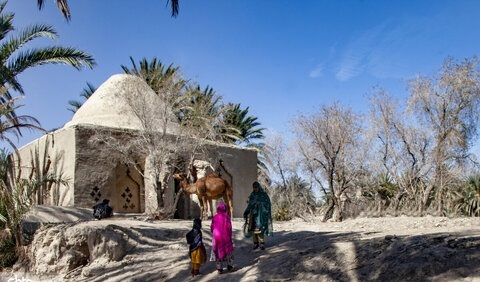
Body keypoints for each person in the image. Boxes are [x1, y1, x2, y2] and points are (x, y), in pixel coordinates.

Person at [243, 181, 273, 250]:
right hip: (253, 215)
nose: (255, 189)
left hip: (260, 216)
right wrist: (246, 212)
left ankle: (262, 243)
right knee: (253, 230)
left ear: (258, 187)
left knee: (260, 229)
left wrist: (260, 203)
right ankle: (255, 243)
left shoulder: (263, 195)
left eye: (256, 187)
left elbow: (267, 203)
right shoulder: (252, 195)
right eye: (253, 187)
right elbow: (249, 205)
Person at [210, 203, 235, 274]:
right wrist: (230, 236)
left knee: (218, 253)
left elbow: (212, 228)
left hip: (217, 237)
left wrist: (214, 234)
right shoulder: (227, 217)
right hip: (225, 236)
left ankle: (219, 269)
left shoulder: (214, 217)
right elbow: (229, 227)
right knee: (229, 252)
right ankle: (230, 266)